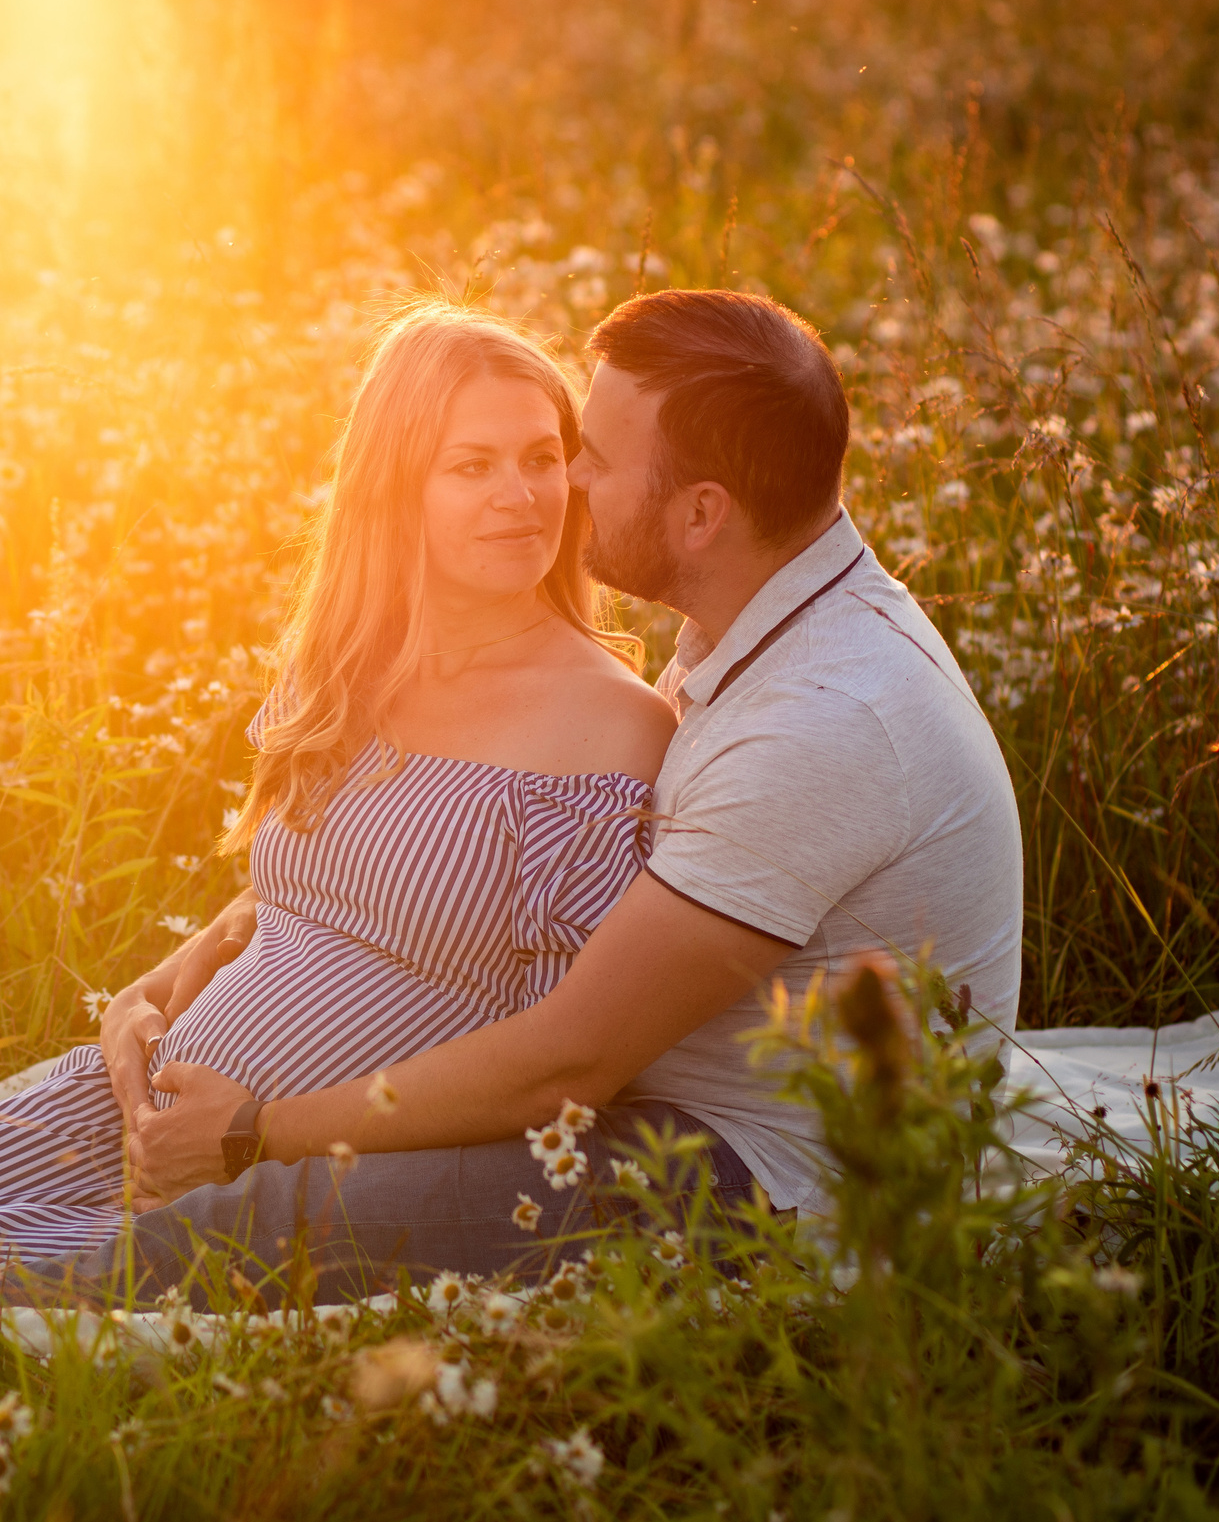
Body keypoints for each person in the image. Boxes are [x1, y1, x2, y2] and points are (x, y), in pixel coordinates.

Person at [70, 286, 1024, 1305]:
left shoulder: (824, 720)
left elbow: (566, 1064)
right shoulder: (768, 623)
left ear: (702, 513)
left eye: (590, 458)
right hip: (664, 1114)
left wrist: (252, 1131)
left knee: (256, 1226)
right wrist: (241, 936)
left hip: (759, 1177)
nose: (562, 483)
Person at [0, 301, 674, 1309]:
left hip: (279, 1183)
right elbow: (304, 901)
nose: (520, 496)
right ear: (394, 488)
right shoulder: (348, 673)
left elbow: (548, 1054)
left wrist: (252, 1132)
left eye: (542, 458)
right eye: (472, 465)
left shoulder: (607, 726)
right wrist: (140, 1000)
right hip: (138, 1114)